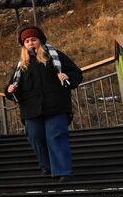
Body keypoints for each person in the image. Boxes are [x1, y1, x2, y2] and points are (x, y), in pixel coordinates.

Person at [5, 25, 83, 183]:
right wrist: (10, 90)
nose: (31, 43)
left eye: (33, 39)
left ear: (40, 41)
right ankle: (46, 165)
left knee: (56, 136)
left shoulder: (55, 57)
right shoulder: (22, 65)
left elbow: (77, 74)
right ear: (24, 45)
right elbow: (11, 88)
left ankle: (63, 171)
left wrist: (66, 76)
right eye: (27, 41)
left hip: (56, 105)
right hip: (31, 109)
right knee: (35, 136)